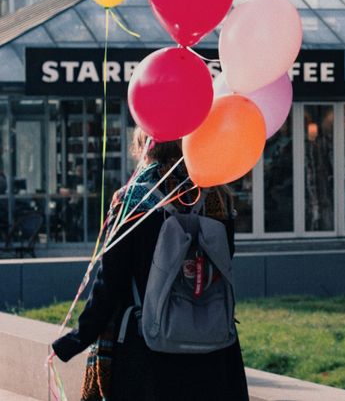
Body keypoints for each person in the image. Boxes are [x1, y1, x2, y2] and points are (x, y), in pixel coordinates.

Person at [52, 129, 248, 401]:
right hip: (213, 348)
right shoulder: (218, 198)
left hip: (146, 350)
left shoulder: (134, 199)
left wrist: (76, 339)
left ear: (145, 143)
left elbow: (110, 281)